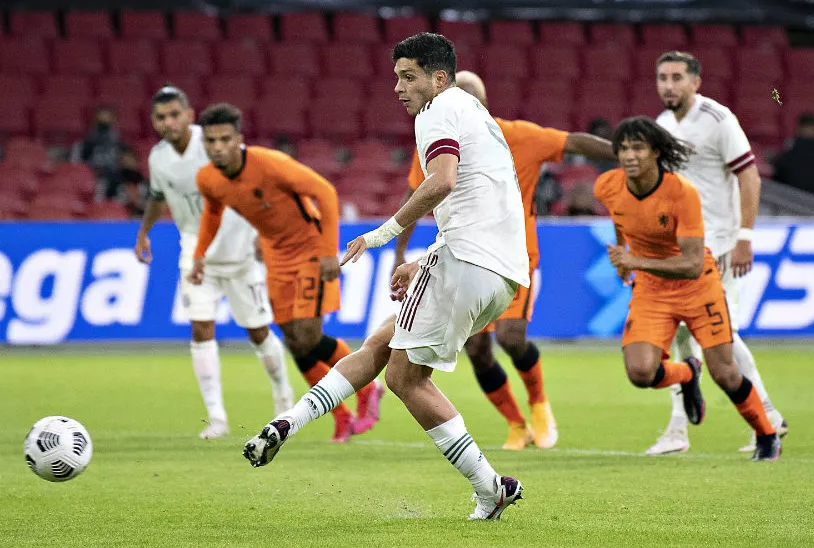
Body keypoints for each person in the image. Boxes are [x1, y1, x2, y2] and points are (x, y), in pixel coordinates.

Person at [243, 33, 530, 520]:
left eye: (408, 76)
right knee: (380, 346)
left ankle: (490, 488)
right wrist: (427, 258)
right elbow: (477, 200)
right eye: (395, 76)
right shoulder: (474, 111)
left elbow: (442, 183)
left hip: (469, 259)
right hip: (499, 270)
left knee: (404, 377)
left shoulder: (437, 109)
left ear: (438, 78)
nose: (398, 87)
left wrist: (382, 235)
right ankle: (287, 423)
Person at [395, 70, 615, 450]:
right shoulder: (434, 140)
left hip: (515, 257)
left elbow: (574, 141)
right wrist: (399, 250)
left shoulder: (517, 136)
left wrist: (629, 151)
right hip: (463, 257)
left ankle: (539, 404)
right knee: (478, 349)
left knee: (512, 339)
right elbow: (417, 196)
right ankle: (516, 424)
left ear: (480, 103)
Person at [188, 103, 384, 443]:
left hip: (309, 248)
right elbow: (213, 212)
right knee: (294, 342)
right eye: (210, 141)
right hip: (275, 255)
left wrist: (327, 253)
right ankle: (340, 415)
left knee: (308, 334)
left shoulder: (269, 164)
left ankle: (368, 387)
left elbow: (325, 191)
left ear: (238, 139)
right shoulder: (208, 178)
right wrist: (200, 254)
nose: (217, 147)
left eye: (224, 139)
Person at [594, 116, 782, 462]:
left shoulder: (681, 193)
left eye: (638, 147)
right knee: (639, 372)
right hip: (652, 290)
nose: (628, 155)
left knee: (725, 373)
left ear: (656, 152)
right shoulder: (607, 185)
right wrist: (623, 254)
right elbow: (621, 218)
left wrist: (634, 262)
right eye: (622, 148)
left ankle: (766, 434)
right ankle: (687, 373)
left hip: (698, 287)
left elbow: (692, 263)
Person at [650, 51, 789, 455]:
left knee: (714, 337)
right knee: (683, 335)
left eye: (677, 77)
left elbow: (748, 175)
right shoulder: (661, 126)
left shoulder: (718, 119)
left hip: (720, 245)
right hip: (682, 246)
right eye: (662, 78)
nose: (669, 85)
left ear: (696, 81)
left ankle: (759, 416)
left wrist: (745, 234)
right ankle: (681, 428)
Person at [135, 86, 293, 439]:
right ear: (153, 121)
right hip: (194, 252)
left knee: (258, 331)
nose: (168, 122)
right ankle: (217, 418)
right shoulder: (158, 157)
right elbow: (157, 197)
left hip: (238, 250)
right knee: (200, 329)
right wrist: (143, 232)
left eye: (175, 114)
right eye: (161, 117)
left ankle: (283, 398)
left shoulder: (212, 144)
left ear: (189, 115)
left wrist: (260, 234)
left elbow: (257, 186)